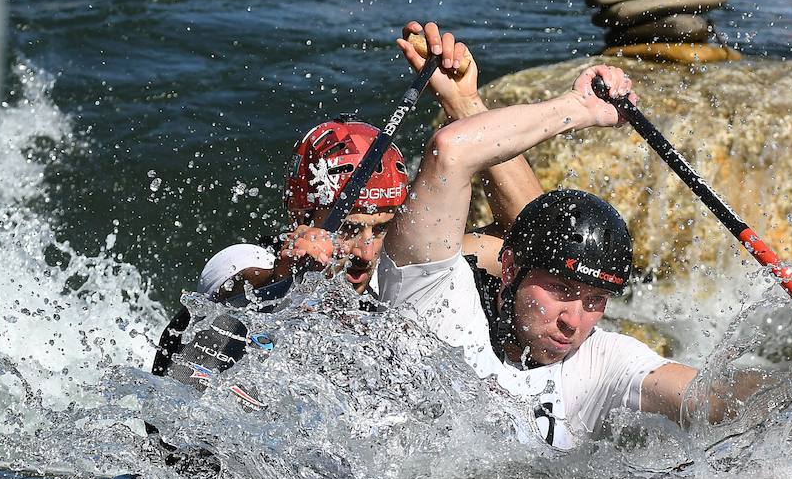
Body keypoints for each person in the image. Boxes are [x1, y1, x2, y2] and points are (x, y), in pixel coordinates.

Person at [378, 64, 766, 450]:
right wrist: (580, 108)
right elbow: (451, 152)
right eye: (561, 290)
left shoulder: (600, 359)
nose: (573, 321)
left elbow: (710, 395)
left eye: (595, 300)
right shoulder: (433, 297)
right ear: (510, 268)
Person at [152, 22, 543, 380]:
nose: (365, 251)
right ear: (302, 214)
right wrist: (284, 275)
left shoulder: (413, 271)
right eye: (350, 227)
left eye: (383, 227)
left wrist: (464, 105)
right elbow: (232, 288)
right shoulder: (247, 260)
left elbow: (540, 240)